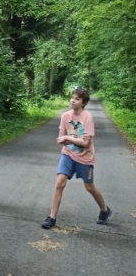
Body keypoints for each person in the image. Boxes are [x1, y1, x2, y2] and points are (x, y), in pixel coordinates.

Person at [41, 88, 111, 229]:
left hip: (85, 158)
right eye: (72, 97)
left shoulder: (87, 117)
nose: (73, 100)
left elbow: (85, 144)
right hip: (68, 154)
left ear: (83, 102)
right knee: (59, 182)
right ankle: (52, 217)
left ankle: (104, 210)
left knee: (89, 187)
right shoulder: (65, 116)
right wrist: (72, 139)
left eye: (77, 99)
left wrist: (68, 138)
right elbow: (60, 139)